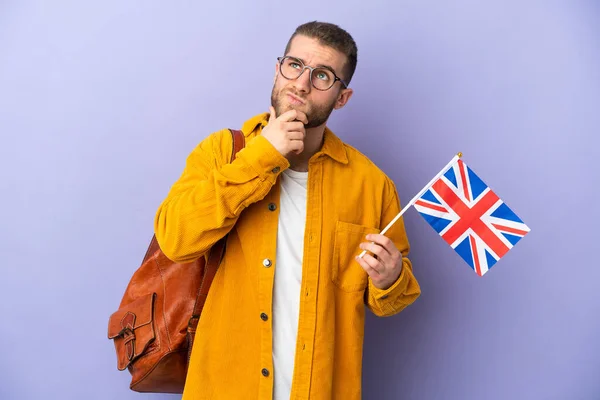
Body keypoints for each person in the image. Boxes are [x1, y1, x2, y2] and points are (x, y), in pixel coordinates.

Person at [154, 21, 421, 400]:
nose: (301, 83)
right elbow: (175, 238)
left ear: (342, 97)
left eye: (323, 75)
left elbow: (395, 298)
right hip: (226, 387)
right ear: (278, 68)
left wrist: (390, 278)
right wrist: (263, 155)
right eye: (294, 65)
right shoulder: (221, 152)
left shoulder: (371, 185)